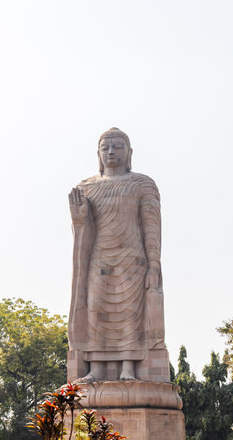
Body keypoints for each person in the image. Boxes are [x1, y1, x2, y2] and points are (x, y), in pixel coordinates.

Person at [68, 127, 163, 382]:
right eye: (106, 147)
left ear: (129, 153)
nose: (111, 151)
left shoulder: (142, 184)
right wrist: (78, 220)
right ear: (98, 154)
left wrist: (154, 264)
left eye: (117, 146)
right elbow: (82, 230)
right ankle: (97, 368)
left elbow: (151, 226)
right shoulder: (86, 187)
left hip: (132, 258)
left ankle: (129, 367)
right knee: (96, 311)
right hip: (99, 258)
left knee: (131, 313)